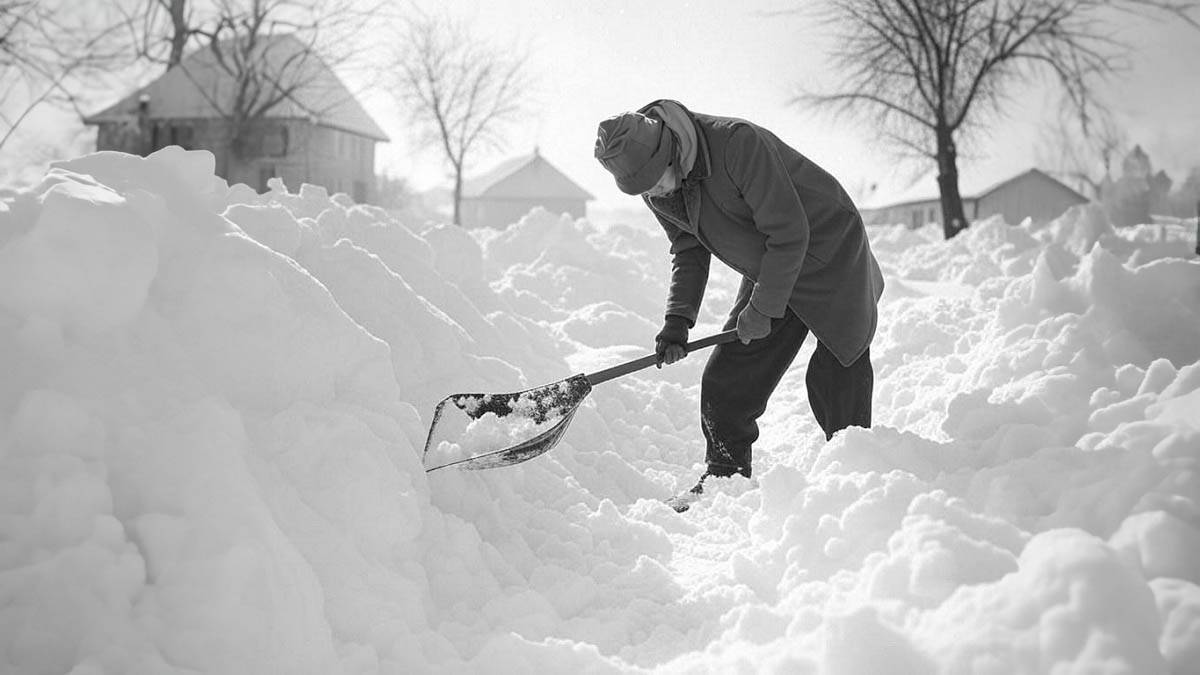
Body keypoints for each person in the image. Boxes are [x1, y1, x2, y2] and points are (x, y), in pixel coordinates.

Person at [594, 99, 884, 512]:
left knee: (838, 372)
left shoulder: (736, 145)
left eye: (655, 181)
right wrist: (678, 319)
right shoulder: (652, 181)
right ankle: (723, 480)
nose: (654, 193)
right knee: (726, 379)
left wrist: (763, 309)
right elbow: (688, 246)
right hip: (771, 259)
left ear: (670, 150)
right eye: (643, 189)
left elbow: (790, 233)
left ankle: (857, 481)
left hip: (827, 249)